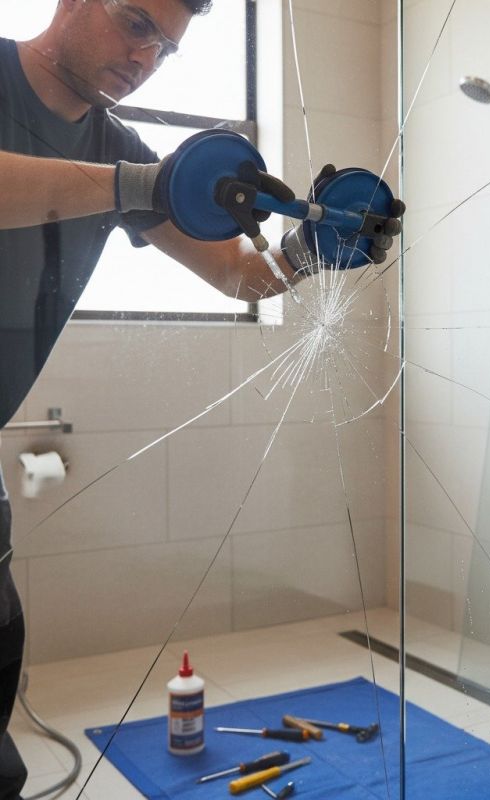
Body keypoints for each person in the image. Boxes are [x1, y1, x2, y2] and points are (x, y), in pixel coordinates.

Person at [0, 1, 402, 797]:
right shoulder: (112, 156)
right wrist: (140, 184)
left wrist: (314, 246)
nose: (145, 56)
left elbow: (236, 273)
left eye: (168, 48)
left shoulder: (115, 146)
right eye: (136, 23)